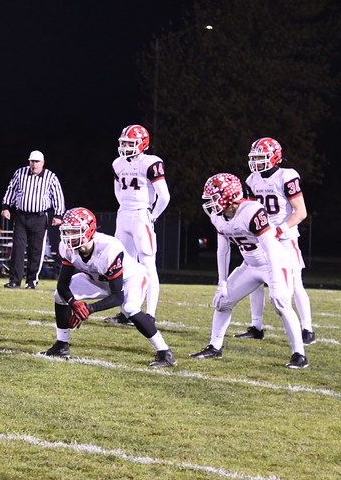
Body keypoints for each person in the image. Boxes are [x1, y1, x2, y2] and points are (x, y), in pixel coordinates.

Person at [190, 173, 309, 369]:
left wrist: (276, 283)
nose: (210, 202)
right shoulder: (218, 217)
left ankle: (299, 354)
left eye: (215, 197)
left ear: (229, 196)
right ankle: (215, 347)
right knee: (223, 302)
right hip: (250, 265)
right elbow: (223, 250)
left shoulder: (252, 211)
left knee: (281, 304)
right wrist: (222, 283)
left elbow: (270, 247)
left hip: (274, 262)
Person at [40, 208, 176, 367]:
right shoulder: (67, 248)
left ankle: (165, 352)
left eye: (74, 231)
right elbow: (62, 285)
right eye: (67, 231)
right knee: (59, 296)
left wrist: (89, 309)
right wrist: (74, 303)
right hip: (96, 279)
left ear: (89, 230)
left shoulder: (109, 248)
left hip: (129, 279)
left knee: (129, 307)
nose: (69, 236)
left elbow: (117, 296)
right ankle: (61, 346)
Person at [236, 138, 316, 344]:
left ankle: (307, 329)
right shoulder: (252, 180)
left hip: (285, 237)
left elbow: (301, 212)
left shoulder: (286, 176)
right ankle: (256, 327)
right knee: (255, 280)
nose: (256, 162)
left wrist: (280, 229)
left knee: (295, 282)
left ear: (274, 157)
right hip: (262, 237)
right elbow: (250, 210)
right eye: (254, 158)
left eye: (261, 157)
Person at [110, 124, 169, 321]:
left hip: (141, 215)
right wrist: (125, 206)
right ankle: (127, 311)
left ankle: (150, 314)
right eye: (124, 143)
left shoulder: (151, 162)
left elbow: (164, 196)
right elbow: (117, 191)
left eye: (130, 143)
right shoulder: (117, 163)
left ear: (142, 144)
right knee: (124, 266)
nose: (126, 146)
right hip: (123, 215)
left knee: (147, 264)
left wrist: (153, 215)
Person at [1, 150, 66, 289]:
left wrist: (58, 215)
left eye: (37, 162)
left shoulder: (50, 177)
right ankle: (14, 280)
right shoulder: (20, 173)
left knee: (36, 250)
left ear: (43, 163)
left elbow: (58, 196)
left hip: (39, 218)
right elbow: (11, 190)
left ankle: (31, 281)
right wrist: (6, 207)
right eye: (32, 161)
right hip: (21, 216)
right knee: (18, 248)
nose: (34, 164)